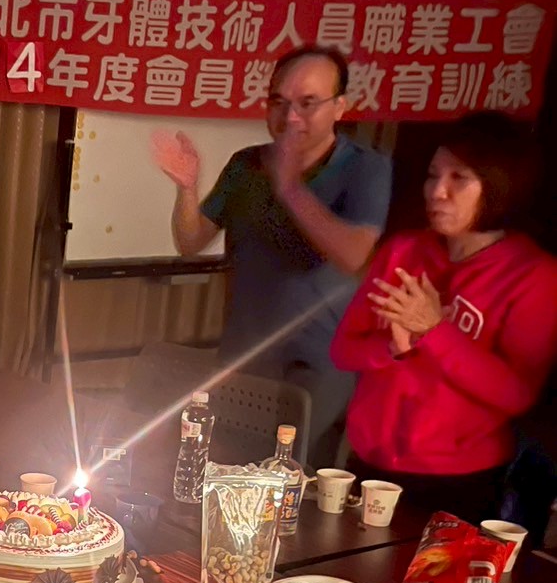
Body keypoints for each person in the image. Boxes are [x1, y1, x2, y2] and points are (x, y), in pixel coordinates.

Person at [152, 46, 393, 468]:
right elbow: (190, 241)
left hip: (316, 368)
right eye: (279, 102)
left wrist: (291, 188)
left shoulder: (365, 169)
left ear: (340, 107)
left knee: (291, 482)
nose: (291, 117)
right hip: (243, 358)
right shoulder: (246, 165)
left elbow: (353, 254)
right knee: (225, 473)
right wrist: (187, 188)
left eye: (307, 103)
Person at [330, 111, 557, 523]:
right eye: (433, 176)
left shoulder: (533, 274)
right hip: (370, 463)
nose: (437, 191)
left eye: (459, 179)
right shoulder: (403, 250)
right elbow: (343, 351)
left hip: (457, 478)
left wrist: (435, 331)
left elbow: (517, 393)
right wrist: (393, 347)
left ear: (499, 185)